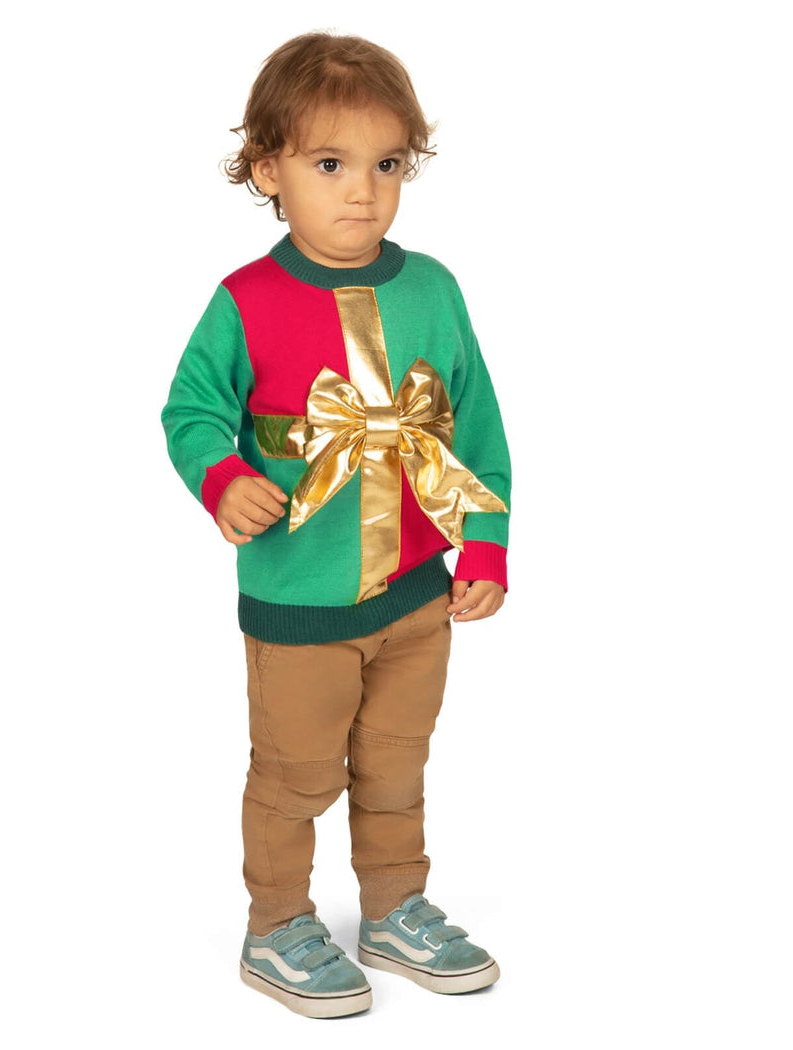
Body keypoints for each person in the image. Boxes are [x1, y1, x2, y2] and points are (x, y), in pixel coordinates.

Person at [161, 31, 511, 1018]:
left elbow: (477, 422)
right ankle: (276, 924)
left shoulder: (434, 289)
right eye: (330, 165)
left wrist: (484, 543)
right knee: (295, 772)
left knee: (398, 761)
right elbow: (191, 408)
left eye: (386, 165)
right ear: (266, 169)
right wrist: (223, 476)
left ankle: (393, 907)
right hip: (299, 599)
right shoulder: (245, 300)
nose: (363, 193)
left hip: (419, 596)